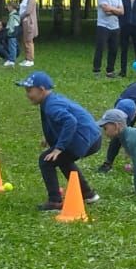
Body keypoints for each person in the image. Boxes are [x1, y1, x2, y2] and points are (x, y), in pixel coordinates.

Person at [18, 71, 101, 211]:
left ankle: (54, 201)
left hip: (83, 139)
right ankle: (88, 194)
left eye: (29, 90)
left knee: (46, 160)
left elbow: (70, 121)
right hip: (93, 138)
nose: (27, 94)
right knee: (61, 160)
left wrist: (59, 148)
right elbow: (60, 122)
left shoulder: (51, 105)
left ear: (41, 89)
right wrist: (48, 137)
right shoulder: (52, 100)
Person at [92, 0, 123, 77]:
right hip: (103, 26)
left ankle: (110, 71)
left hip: (115, 26)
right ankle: (96, 70)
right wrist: (116, 10)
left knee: (113, 49)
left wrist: (112, 9)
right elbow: (106, 11)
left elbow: (122, 12)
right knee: (100, 48)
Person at [16, 0, 39, 67]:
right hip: (24, 22)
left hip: (29, 22)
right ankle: (27, 58)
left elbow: (28, 11)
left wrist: (20, 16)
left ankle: (30, 59)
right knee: (25, 40)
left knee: (29, 40)